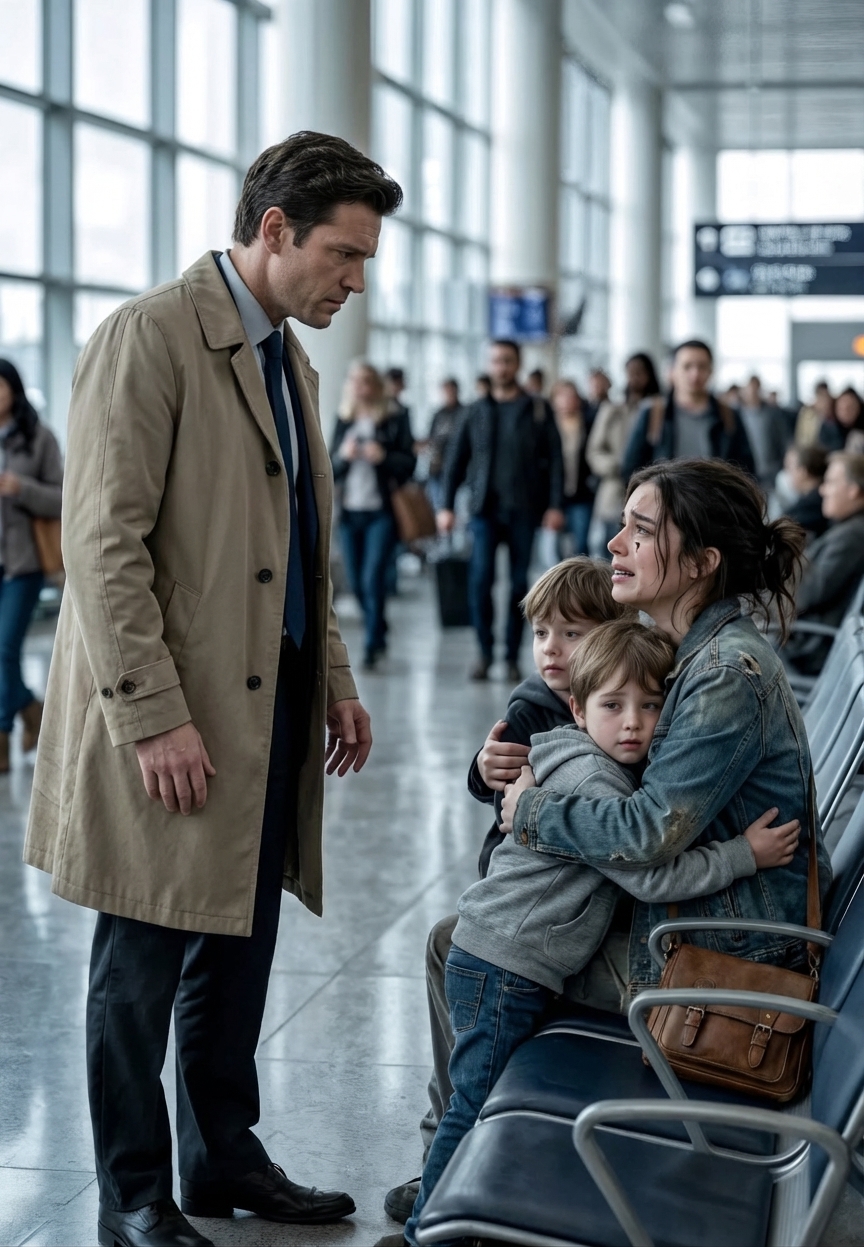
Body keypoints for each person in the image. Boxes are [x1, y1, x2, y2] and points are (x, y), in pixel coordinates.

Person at [24, 131, 400, 1247]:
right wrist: (151, 716)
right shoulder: (149, 338)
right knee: (140, 964)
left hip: (266, 700)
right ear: (273, 230)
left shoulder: (289, 358)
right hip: (174, 713)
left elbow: (300, 548)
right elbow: (101, 549)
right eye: (343, 254)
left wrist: (331, 680)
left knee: (235, 948)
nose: (356, 281)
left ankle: (222, 1158)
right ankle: (131, 1193)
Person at [393, 619, 798, 1247]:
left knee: (475, 1090)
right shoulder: (595, 782)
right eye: (614, 705)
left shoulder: (584, 762)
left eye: (650, 705)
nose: (633, 722)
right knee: (472, 1100)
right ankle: (431, 1232)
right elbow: (648, 877)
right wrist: (744, 854)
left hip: (511, 957)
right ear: (579, 710)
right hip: (506, 965)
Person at [499, 458, 829, 1023]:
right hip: (700, 916)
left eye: (642, 531)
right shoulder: (685, 647)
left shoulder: (724, 675)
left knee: (473, 946)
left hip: (722, 955)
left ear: (702, 563)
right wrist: (502, 761)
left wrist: (531, 810)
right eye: (624, 524)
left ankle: (461, 1117)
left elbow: (650, 833)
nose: (615, 542)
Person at [382, 556, 635, 1229]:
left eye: (574, 634)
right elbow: (500, 786)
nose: (554, 648)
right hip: (529, 890)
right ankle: (450, 1133)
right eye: (544, 633)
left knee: (450, 945)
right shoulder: (537, 702)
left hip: (555, 904)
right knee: (456, 947)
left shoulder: (621, 702)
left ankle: (454, 1137)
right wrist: (482, 770)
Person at [438, 339, 564, 682]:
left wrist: (555, 504)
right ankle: (483, 652)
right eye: (496, 361)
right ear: (490, 365)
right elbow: (455, 460)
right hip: (484, 511)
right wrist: (446, 506)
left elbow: (555, 460)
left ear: (518, 364)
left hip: (524, 510)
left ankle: (510, 656)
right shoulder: (476, 410)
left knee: (520, 585)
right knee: (481, 580)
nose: (502, 367)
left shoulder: (537, 409)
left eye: (508, 360)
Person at [330, 362, 416, 668]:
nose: (360, 386)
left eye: (366, 381)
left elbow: (408, 464)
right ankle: (377, 627)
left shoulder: (395, 417)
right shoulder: (344, 418)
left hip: (382, 512)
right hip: (350, 512)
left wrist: (384, 458)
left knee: (372, 577)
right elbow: (329, 466)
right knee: (355, 580)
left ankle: (370, 644)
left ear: (377, 385)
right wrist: (344, 457)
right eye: (355, 380)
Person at [0, 359, 63, 773]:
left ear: (14, 390)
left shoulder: (39, 438)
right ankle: (31, 707)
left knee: (5, 648)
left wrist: (20, 489)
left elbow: (62, 498)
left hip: (23, 564)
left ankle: (2, 736)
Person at [621, 340, 755, 479]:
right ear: (672, 371)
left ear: (711, 371)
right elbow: (632, 469)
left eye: (702, 366)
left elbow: (747, 470)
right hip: (665, 498)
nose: (695, 374)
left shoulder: (729, 415)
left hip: (715, 499)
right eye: (687, 366)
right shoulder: (653, 413)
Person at [784, 451, 864, 675]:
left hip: (809, 646)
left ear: (853, 490)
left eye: (830, 482)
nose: (822, 490)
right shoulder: (847, 528)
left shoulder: (852, 536)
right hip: (805, 636)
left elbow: (809, 593)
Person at [586, 351, 661, 550]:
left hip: (654, 488)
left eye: (640, 372)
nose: (635, 378)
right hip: (616, 490)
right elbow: (594, 451)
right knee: (612, 551)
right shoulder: (613, 410)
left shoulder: (660, 410)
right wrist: (618, 466)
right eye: (631, 373)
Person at [550, 379, 595, 557]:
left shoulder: (587, 424)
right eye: (562, 396)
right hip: (555, 497)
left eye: (571, 396)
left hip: (581, 494)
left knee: (581, 544)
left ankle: (582, 583)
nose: (567, 400)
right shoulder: (548, 427)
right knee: (554, 549)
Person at [737, 374, 789, 490]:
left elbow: (782, 439)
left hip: (770, 470)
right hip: (746, 471)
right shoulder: (737, 415)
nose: (752, 393)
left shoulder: (772, 414)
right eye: (750, 389)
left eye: (755, 389)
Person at [425, 377, 464, 512]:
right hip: (437, 468)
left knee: (459, 510)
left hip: (458, 469)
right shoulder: (438, 414)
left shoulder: (464, 413)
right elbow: (431, 438)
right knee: (438, 508)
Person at [782, 443, 829, 541]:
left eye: (790, 468)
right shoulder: (808, 499)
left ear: (803, 472)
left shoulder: (813, 503)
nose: (787, 474)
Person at [819, 386, 864, 454]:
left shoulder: (859, 433)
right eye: (841, 408)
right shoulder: (828, 428)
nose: (845, 412)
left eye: (850, 408)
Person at [795, 380, 833, 447]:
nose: (824, 401)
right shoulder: (807, 413)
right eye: (821, 396)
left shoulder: (832, 414)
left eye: (826, 396)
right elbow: (801, 438)